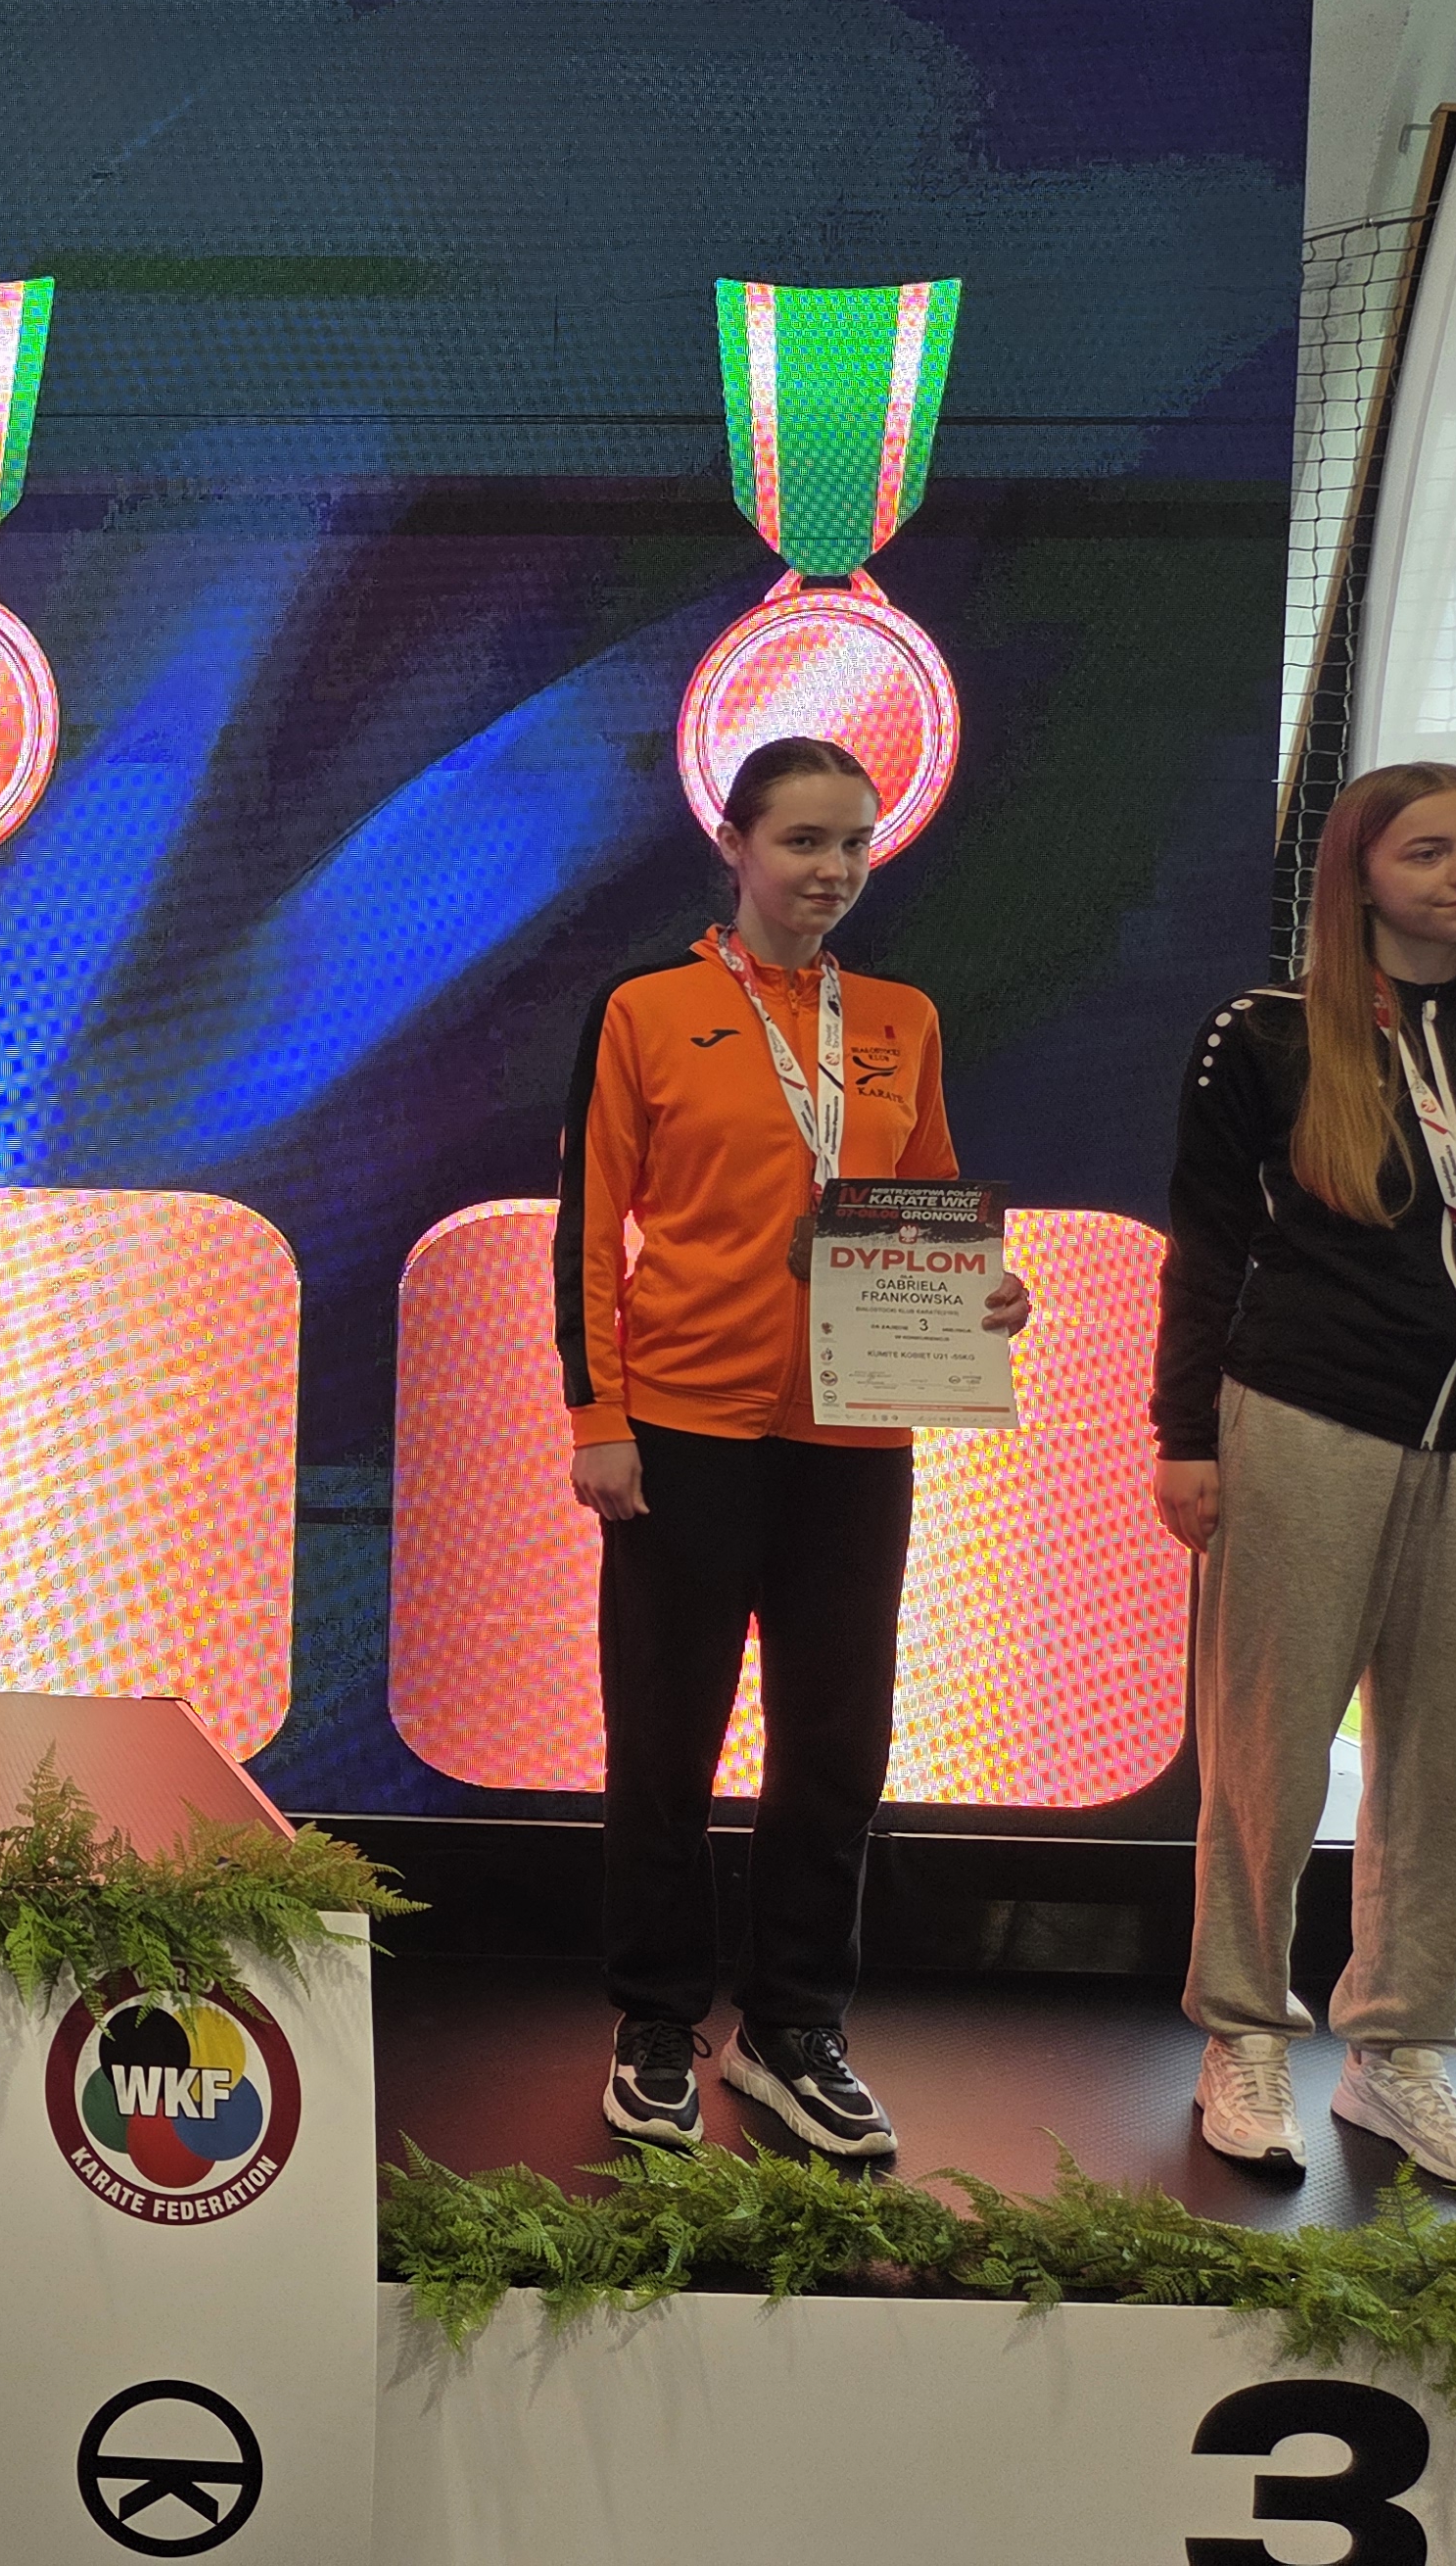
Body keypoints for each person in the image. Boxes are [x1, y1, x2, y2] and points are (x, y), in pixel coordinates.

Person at [556, 735, 1028, 2160]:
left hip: (854, 1434)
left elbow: (927, 1202)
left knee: (836, 1745)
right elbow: (591, 1227)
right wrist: (599, 1417)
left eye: (854, 843)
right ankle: (653, 2022)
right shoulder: (646, 1009)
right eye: (803, 841)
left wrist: (983, 1293)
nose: (833, 870)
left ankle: (791, 2028)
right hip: (684, 1430)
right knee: (665, 1741)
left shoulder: (900, 1019)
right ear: (736, 845)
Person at [1153, 760, 1456, 2187]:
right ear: (1359, 873)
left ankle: (1401, 2055)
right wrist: (1184, 1438)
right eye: (1429, 851)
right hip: (1304, 1419)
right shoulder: (1264, 1036)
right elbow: (1204, 1249)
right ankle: (1244, 2034)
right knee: (1271, 1750)